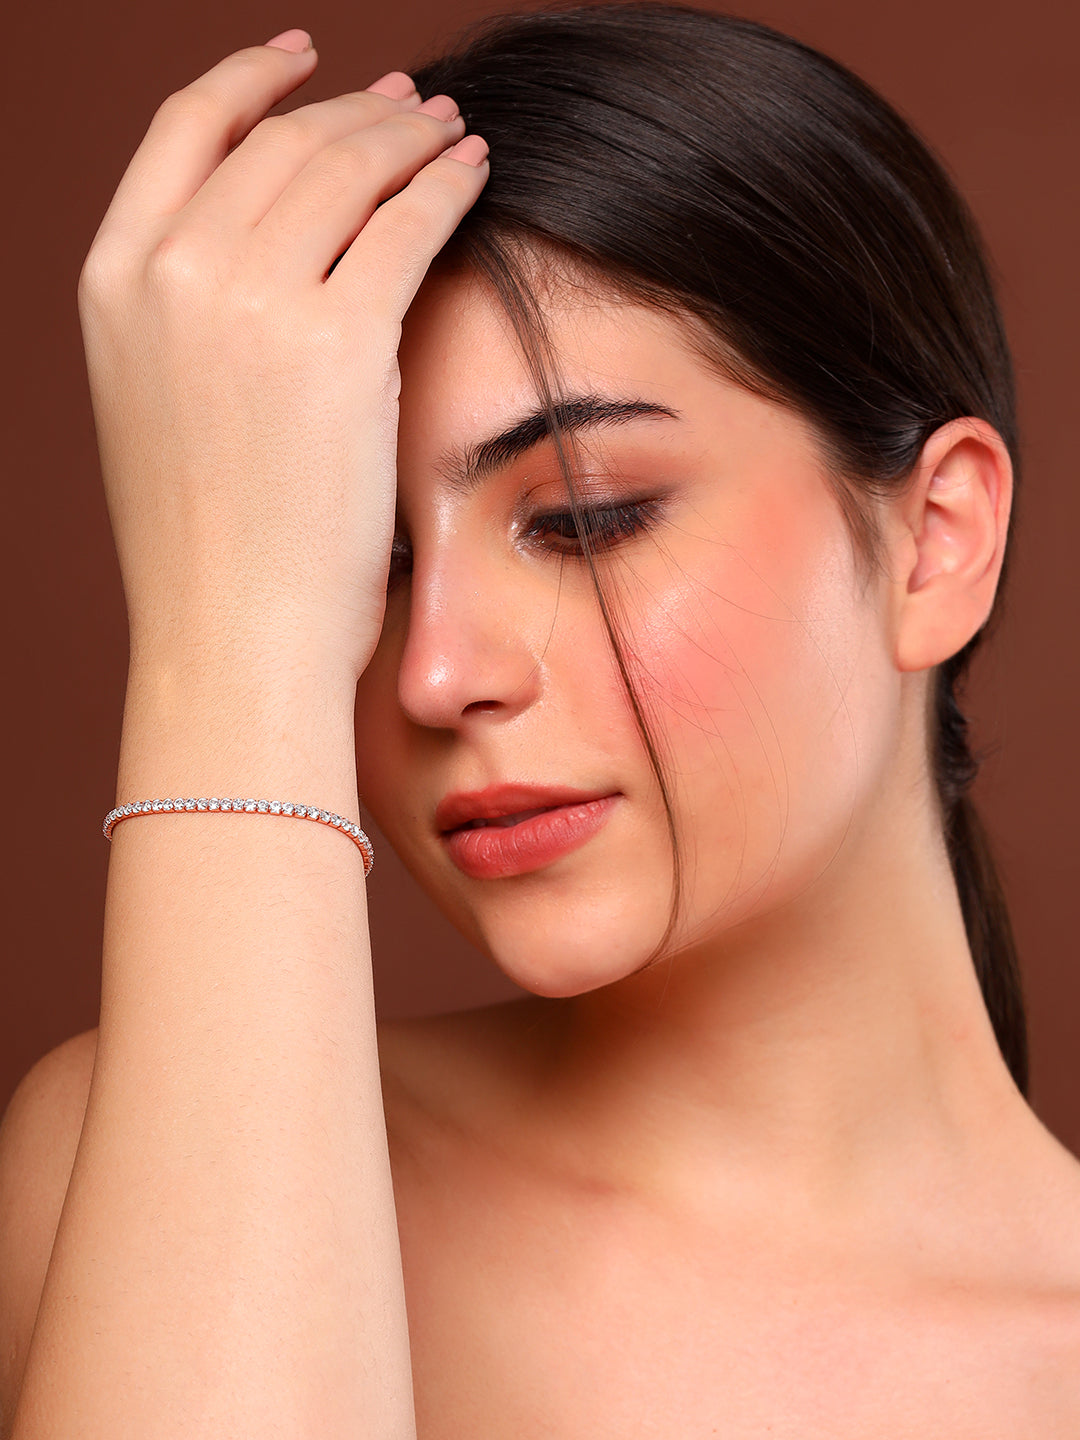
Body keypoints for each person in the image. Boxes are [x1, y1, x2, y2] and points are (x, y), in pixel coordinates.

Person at [1, 2, 1078, 1433]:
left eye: (585, 518)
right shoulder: (137, 1163)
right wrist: (235, 637)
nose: (435, 672)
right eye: (363, 565)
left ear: (937, 540)